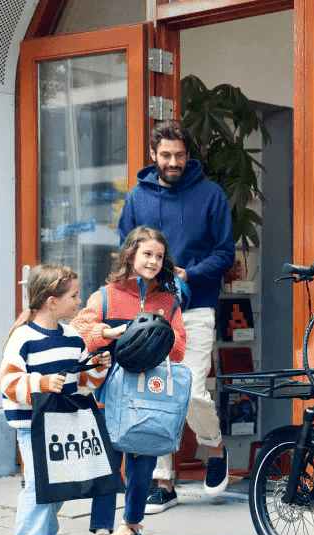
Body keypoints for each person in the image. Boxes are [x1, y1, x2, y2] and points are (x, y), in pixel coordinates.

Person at [117, 119, 236, 511]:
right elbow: (127, 248)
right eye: (165, 155)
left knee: (192, 390)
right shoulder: (137, 197)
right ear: (153, 155)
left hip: (197, 305)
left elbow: (224, 253)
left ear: (189, 155)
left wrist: (190, 274)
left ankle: (214, 447)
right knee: (156, 392)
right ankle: (163, 480)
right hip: (151, 308)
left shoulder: (210, 194)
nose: (172, 161)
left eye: (179, 155)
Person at [72, 227, 188, 535]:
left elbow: (179, 349)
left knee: (142, 462)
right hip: (109, 395)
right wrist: (106, 333)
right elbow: (79, 331)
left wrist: (160, 334)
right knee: (107, 462)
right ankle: (100, 530)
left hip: (149, 397)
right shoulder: (105, 295)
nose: (152, 261)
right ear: (130, 256)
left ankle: (132, 524)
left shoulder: (168, 300)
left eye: (159, 256)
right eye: (147, 254)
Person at [0, 264, 111, 535]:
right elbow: (7, 383)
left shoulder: (73, 337)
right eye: (74, 295)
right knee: (38, 484)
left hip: (64, 421)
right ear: (51, 300)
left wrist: (98, 369)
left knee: (57, 484)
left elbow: (83, 385)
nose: (79, 301)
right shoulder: (22, 338)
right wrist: (44, 383)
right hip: (31, 423)